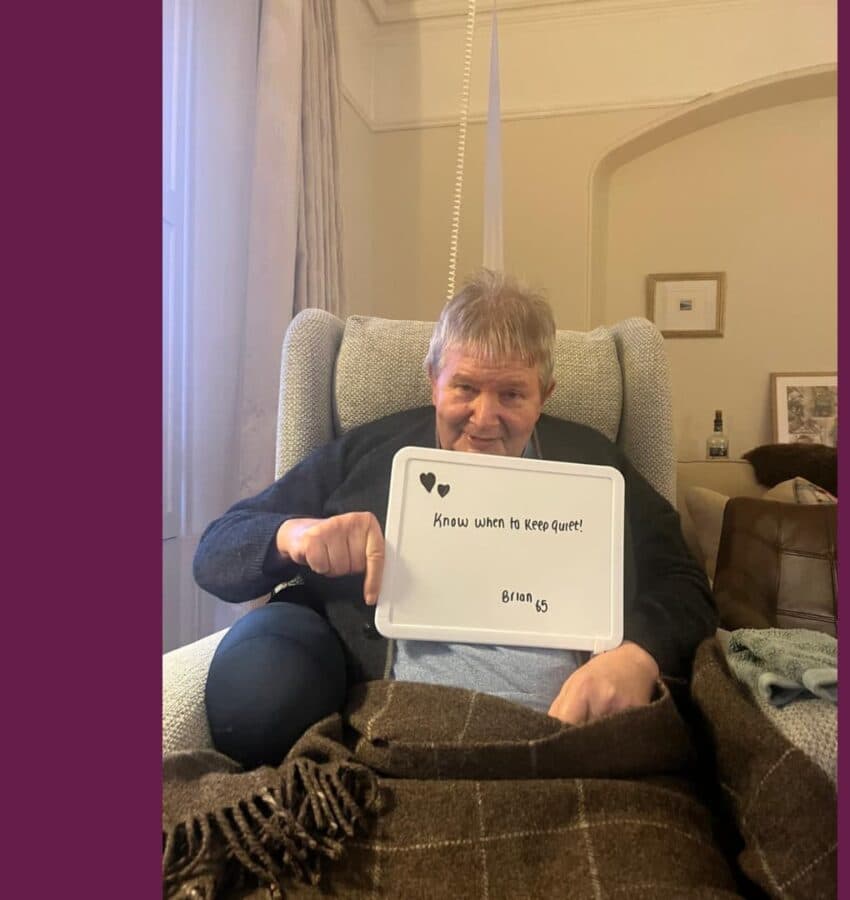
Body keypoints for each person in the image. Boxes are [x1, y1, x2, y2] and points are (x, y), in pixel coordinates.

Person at [193, 270, 717, 768]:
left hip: (568, 731)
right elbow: (216, 553)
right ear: (433, 382)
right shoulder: (368, 454)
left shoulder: (594, 465)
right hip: (391, 720)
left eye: (512, 394)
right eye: (464, 388)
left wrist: (638, 655)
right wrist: (296, 535)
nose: (484, 420)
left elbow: (685, 582)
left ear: (545, 396)